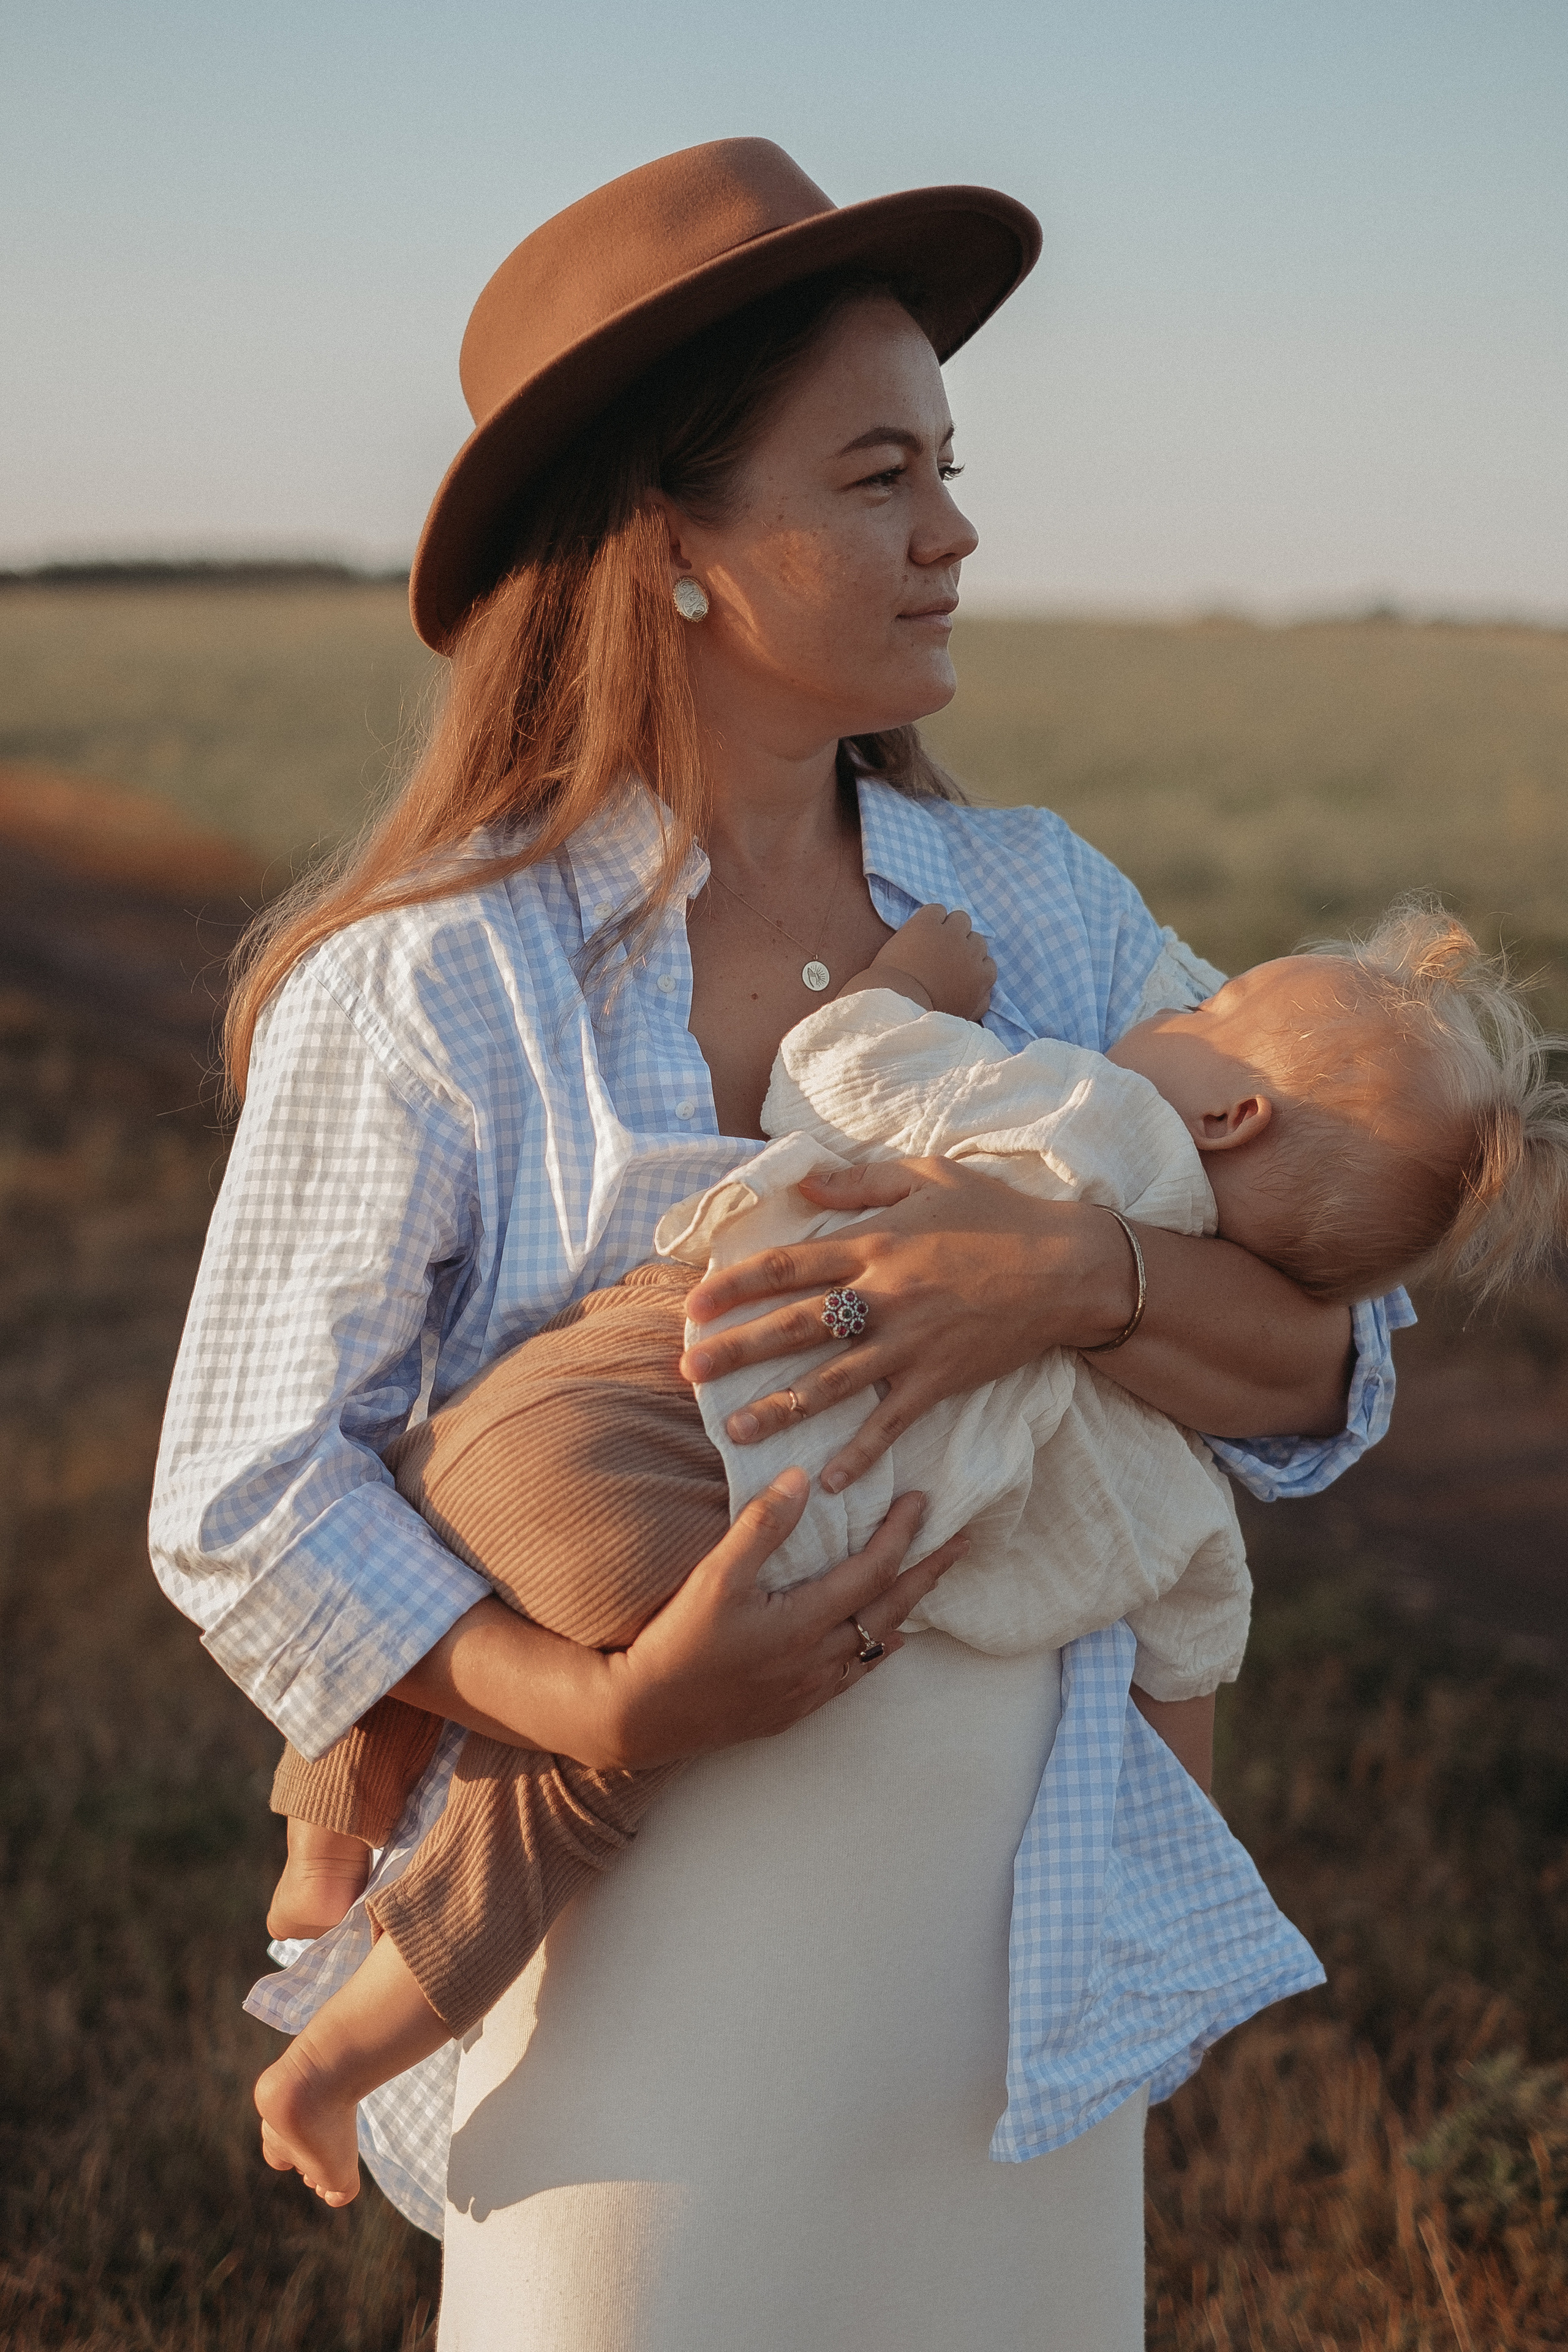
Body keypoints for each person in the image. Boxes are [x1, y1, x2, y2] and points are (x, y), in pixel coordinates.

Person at [151, 139, 1423, 2346]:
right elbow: (249, 1496)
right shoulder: (443, 982)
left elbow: (1332, 1363)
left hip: (1006, 1977)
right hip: (623, 1973)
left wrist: (1081, 1281)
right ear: (671, 547)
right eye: (873, 476)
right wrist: (615, 1701)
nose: (953, 528)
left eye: (949, 463)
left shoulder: (1045, 908)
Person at [252, 889, 1568, 2211]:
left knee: (413, 1508)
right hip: (705, 1534)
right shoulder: (1159, 1442)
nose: (1175, 1004)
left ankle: (325, 1842)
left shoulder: (1089, 1114)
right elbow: (1188, 1652)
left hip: (621, 1398)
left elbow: (833, 1070)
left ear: (1230, 1117)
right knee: (558, 1793)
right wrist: (1160, 1874)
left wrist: (915, 982)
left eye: (1213, 1013)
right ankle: (340, 2055)